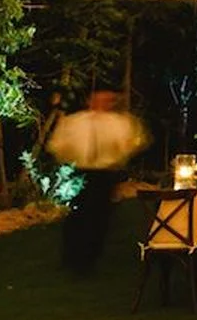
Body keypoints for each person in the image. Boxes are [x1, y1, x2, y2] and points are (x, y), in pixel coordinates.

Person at [49, 88, 147, 275]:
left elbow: (134, 142)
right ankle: (72, 256)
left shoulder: (118, 123)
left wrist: (120, 153)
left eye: (108, 100)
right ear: (90, 100)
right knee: (76, 215)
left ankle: (90, 258)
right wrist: (69, 159)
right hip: (79, 171)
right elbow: (57, 145)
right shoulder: (74, 122)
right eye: (99, 99)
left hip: (104, 173)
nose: (103, 103)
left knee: (99, 216)